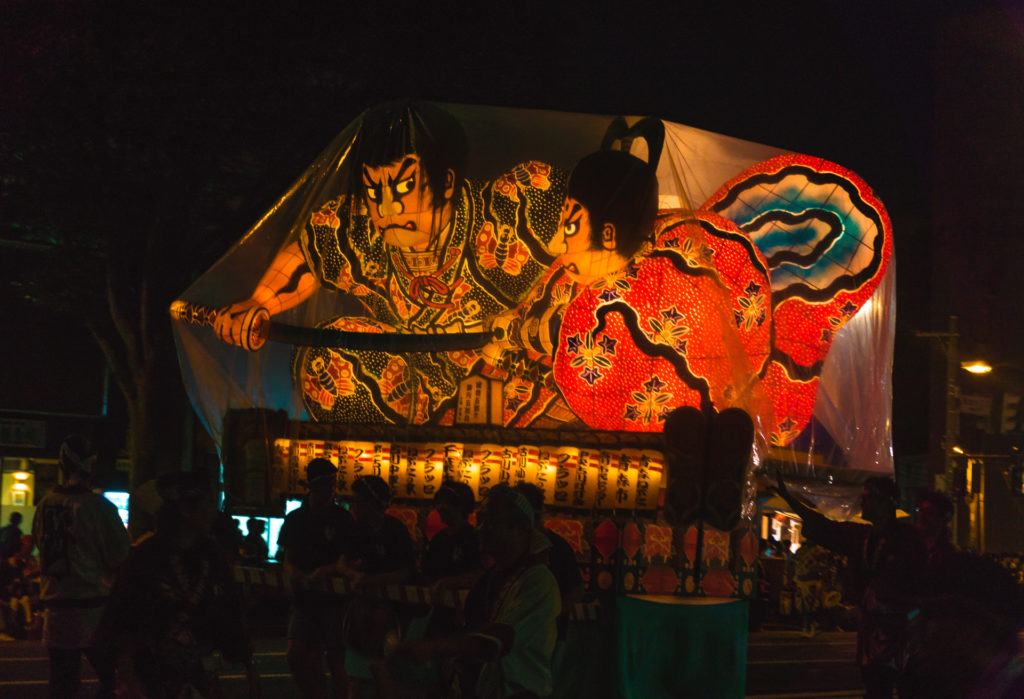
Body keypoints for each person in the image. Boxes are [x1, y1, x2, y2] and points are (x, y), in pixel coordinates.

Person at [212, 100, 568, 427]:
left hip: (526, 382)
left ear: (446, 183)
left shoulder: (512, 210)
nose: (386, 210)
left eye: (403, 189)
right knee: (328, 356)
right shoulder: (359, 231)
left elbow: (586, 236)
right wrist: (259, 303)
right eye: (373, 192)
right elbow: (307, 257)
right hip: (418, 395)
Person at [388, 485, 561, 699]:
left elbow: (497, 640)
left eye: (490, 522)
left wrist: (433, 648)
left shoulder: (538, 581)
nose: (480, 529)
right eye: (480, 520)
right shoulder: (490, 579)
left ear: (519, 528)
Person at [102, 469, 255, 698]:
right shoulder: (146, 557)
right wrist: (130, 678)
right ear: (185, 509)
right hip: (151, 673)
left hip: (199, 672)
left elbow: (230, 611)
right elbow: (121, 619)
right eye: (207, 503)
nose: (213, 511)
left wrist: (249, 668)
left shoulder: (211, 555)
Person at [775, 472, 926, 698]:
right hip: (872, 635)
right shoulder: (863, 537)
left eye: (869, 497)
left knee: (909, 689)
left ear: (887, 501)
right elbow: (827, 528)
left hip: (902, 634)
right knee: (876, 689)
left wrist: (910, 617)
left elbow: (921, 585)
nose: (862, 502)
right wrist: (791, 499)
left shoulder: (909, 539)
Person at [33, 434, 130, 698]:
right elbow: (119, 557)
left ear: (62, 466)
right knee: (115, 679)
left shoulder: (44, 506)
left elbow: (43, 548)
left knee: (62, 684)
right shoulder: (99, 508)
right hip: (94, 607)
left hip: (56, 606)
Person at [277, 457, 357, 699]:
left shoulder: (342, 519)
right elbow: (287, 558)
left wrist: (325, 571)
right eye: (327, 484)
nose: (332, 490)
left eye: (334, 484)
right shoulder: (296, 519)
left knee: (335, 659)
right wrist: (296, 575)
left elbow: (350, 559)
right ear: (314, 486)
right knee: (297, 654)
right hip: (305, 597)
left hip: (335, 599)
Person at [338, 475, 416, 696]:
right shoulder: (357, 529)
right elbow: (341, 562)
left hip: (393, 608)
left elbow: (405, 572)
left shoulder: (395, 530)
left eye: (357, 500)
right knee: (357, 675)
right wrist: (352, 574)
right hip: (362, 607)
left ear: (371, 503)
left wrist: (369, 580)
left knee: (383, 670)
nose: (353, 505)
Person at [512, 482, 584, 642]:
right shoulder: (512, 545)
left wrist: (550, 615)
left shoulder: (556, 546)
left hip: (548, 634)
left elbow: (576, 590)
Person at [422, 480, 482, 592]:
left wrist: (450, 583)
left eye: (445, 502)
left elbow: (479, 574)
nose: (439, 507)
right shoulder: (438, 539)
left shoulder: (474, 538)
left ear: (460, 506)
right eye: (439, 502)